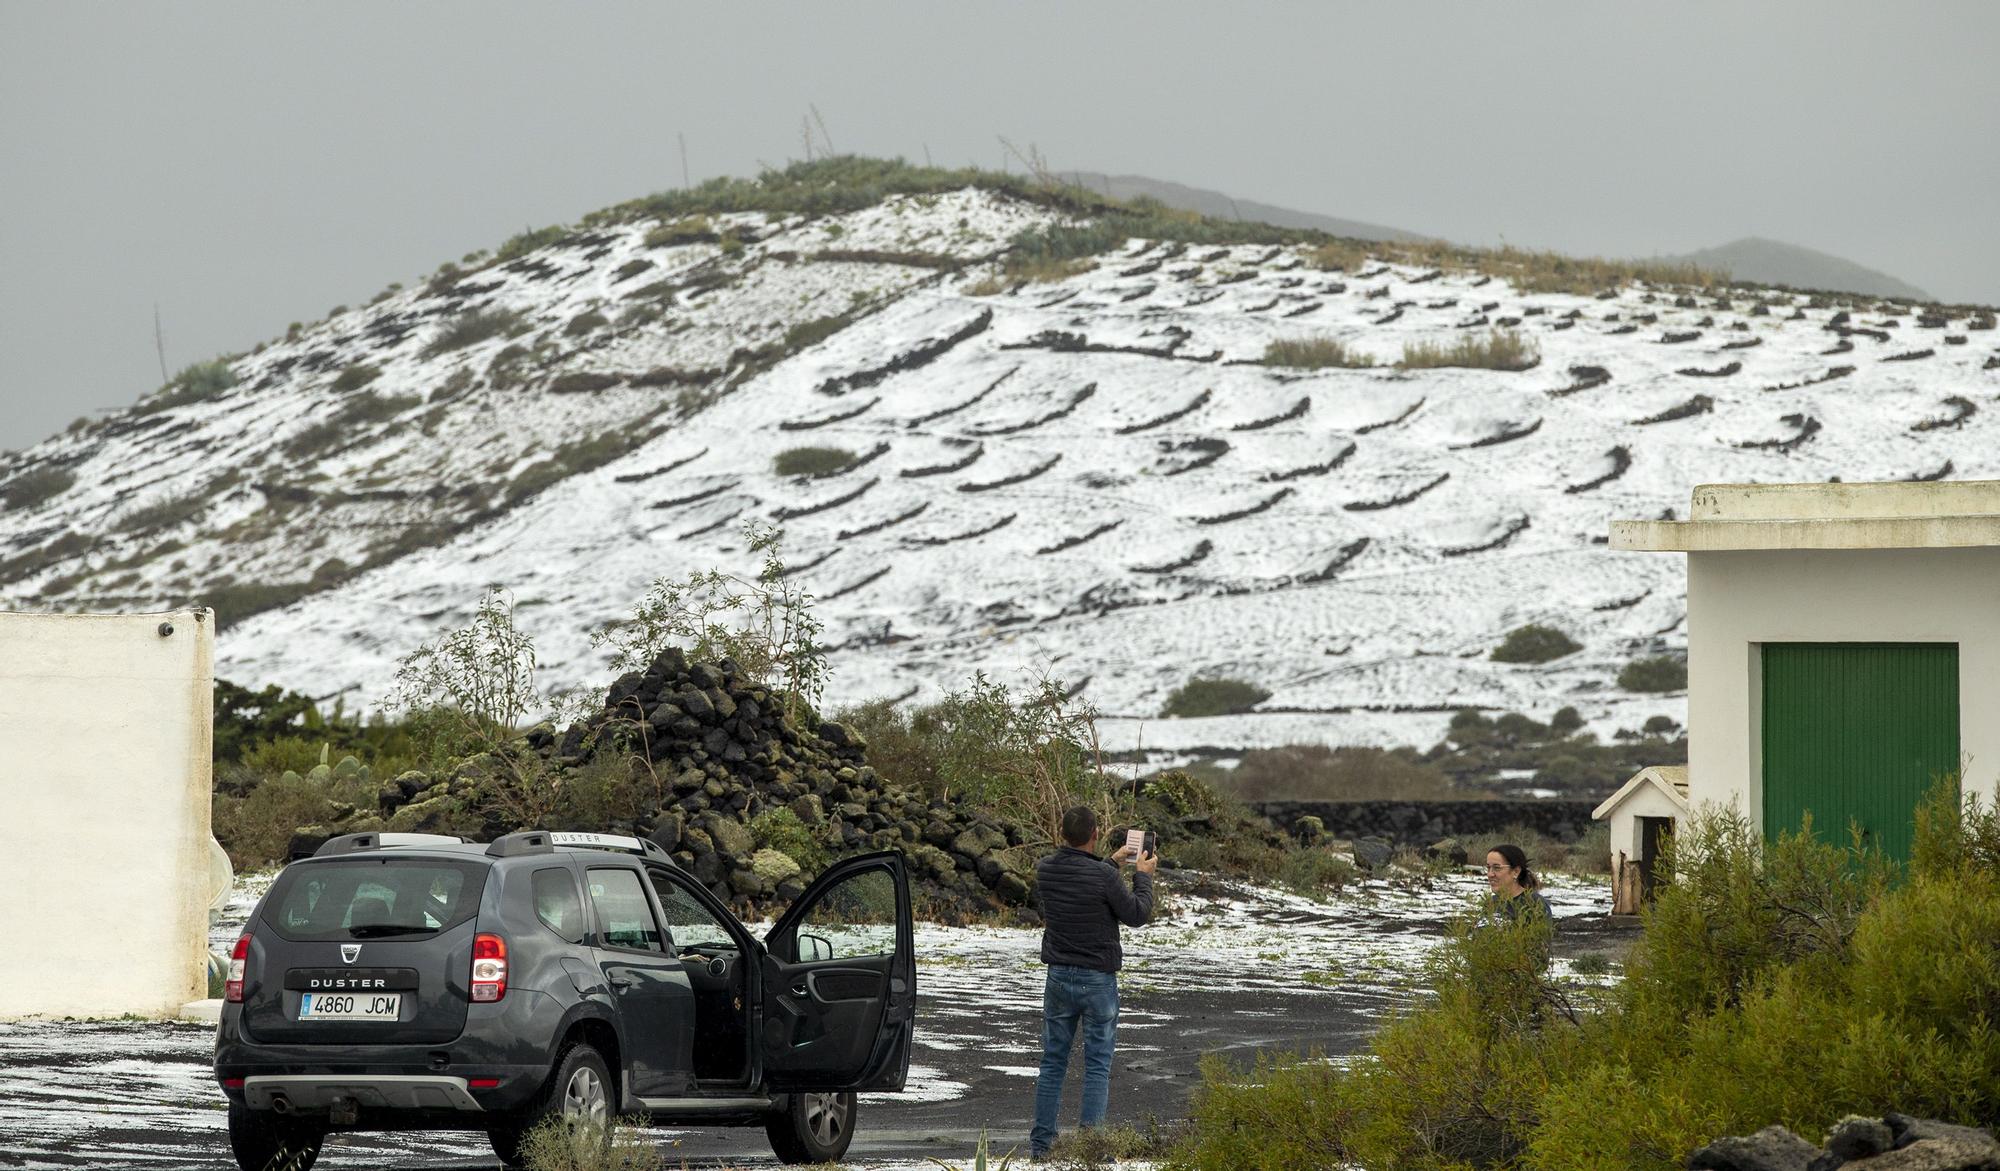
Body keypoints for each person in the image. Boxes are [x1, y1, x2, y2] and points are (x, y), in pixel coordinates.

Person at [1028, 806, 1156, 1160]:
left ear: (1064, 834)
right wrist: (1142, 875)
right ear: (1095, 834)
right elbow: (1136, 914)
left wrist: (1112, 863)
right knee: (1097, 1065)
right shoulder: (1103, 877)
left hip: (1058, 977)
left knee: (1053, 1062)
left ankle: (1041, 1148)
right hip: (1097, 980)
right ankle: (1092, 1149)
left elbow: (1083, 879)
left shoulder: (1046, 869)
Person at [1483, 843, 1553, 925]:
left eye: (1497, 868)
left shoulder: (1535, 904)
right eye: (1488, 868)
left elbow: (1542, 936)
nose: (1490, 874)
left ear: (1516, 871)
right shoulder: (1491, 903)